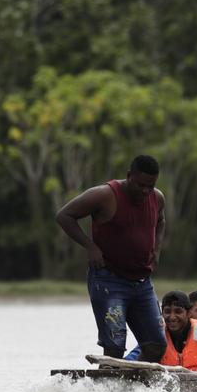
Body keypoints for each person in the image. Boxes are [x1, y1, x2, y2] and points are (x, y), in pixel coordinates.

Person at [55, 155, 167, 361]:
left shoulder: (157, 197)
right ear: (129, 176)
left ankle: (128, 386)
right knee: (115, 346)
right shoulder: (104, 195)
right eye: (140, 185)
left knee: (156, 347)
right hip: (109, 280)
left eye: (150, 186)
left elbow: (160, 221)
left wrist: (156, 249)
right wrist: (90, 247)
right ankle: (109, 387)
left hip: (142, 282)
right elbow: (64, 216)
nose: (145, 191)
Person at [125, 291, 197, 382]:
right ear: (161, 313)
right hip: (168, 386)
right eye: (167, 312)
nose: (172, 317)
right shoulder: (156, 334)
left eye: (178, 312)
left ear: (189, 313)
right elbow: (130, 361)